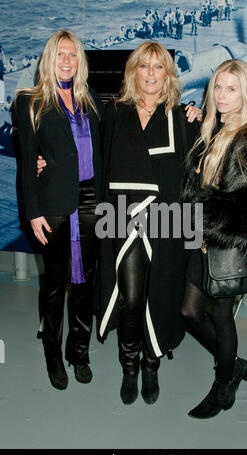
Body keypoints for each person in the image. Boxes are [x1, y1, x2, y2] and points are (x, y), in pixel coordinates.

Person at [181, 59, 247, 419]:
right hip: (202, 242)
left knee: (222, 317)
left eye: (231, 88)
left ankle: (224, 386)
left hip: (225, 247)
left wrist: (205, 215)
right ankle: (235, 364)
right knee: (189, 312)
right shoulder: (214, 128)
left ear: (246, 93)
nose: (222, 95)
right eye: (218, 87)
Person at [95, 41, 201, 406]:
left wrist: (192, 231)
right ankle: (129, 367)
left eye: (159, 67)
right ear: (134, 71)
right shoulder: (115, 113)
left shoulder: (180, 117)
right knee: (130, 297)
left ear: (168, 73)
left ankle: (151, 365)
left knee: (161, 294)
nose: (152, 74)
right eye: (145, 66)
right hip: (121, 218)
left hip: (166, 222)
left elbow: (193, 179)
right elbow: (98, 168)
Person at [14, 30, 103, 390]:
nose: (67, 60)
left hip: (91, 202)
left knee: (85, 284)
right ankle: (53, 351)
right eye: (60, 54)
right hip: (52, 205)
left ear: (79, 61)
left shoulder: (91, 99)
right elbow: (26, 162)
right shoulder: (30, 101)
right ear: (49, 58)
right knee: (54, 284)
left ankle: (78, 352)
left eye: (73, 54)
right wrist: (33, 212)